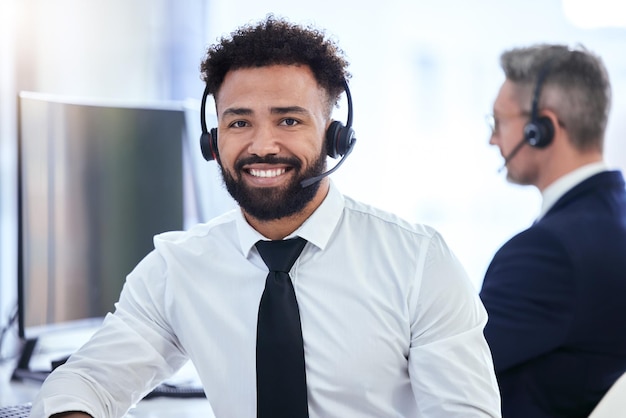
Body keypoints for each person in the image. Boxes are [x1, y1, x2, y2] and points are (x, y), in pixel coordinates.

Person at [31, 15, 501, 418]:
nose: (262, 146)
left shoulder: (418, 262)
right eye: (239, 122)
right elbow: (87, 381)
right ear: (213, 141)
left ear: (336, 135)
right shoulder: (178, 267)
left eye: (289, 120)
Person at [480, 43, 626, 418]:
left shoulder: (549, 252)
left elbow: (453, 367)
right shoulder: (613, 219)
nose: (493, 139)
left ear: (540, 128)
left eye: (498, 121)